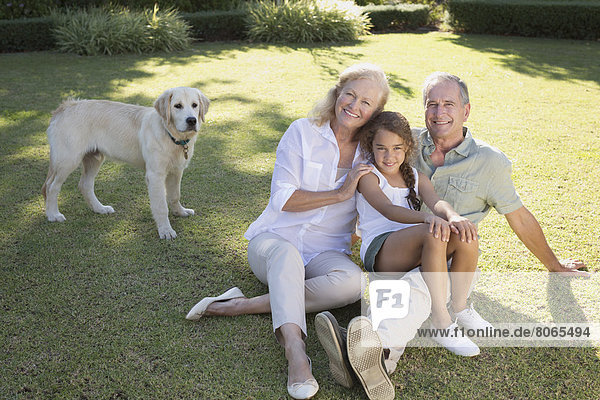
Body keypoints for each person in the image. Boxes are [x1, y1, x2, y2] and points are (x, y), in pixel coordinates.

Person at [315, 72, 588, 399]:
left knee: (423, 278)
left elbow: (518, 217)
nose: (439, 111)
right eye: (432, 104)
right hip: (409, 251)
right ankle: (399, 347)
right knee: (412, 288)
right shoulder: (405, 143)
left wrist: (554, 265)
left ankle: (373, 352)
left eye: (448, 104)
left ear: (466, 110)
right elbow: (380, 197)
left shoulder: (490, 162)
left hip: (451, 263)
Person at [185, 63, 390, 399]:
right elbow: (283, 198)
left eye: (366, 102)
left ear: (376, 112)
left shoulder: (372, 152)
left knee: (353, 283)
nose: (354, 105)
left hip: (326, 253)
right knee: (286, 255)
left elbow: (397, 179)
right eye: (349, 94)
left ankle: (243, 304)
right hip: (274, 242)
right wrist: (339, 194)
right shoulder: (302, 132)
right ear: (337, 93)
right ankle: (296, 353)